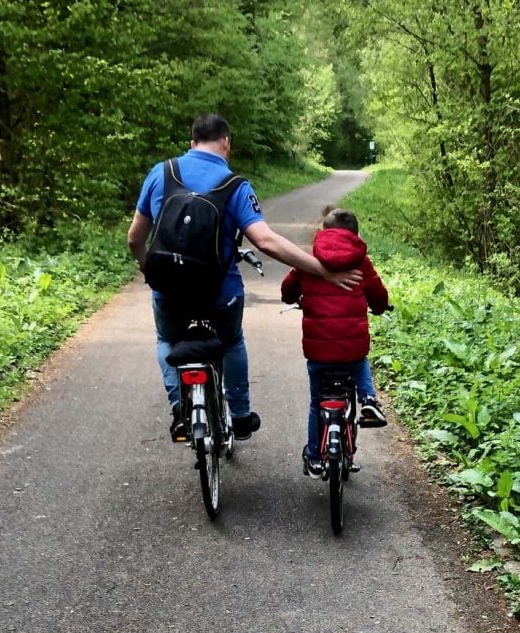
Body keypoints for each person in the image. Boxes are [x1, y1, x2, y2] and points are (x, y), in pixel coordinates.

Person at [126, 114, 361, 442]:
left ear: (192, 142)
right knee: (231, 341)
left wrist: (146, 268)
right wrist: (320, 269)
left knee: (167, 340)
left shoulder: (161, 173)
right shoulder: (235, 185)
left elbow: (135, 239)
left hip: (170, 289)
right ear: (226, 143)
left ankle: (180, 407)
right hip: (220, 293)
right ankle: (239, 415)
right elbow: (266, 241)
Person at [280, 207, 390, 479]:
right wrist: (378, 306)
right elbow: (378, 295)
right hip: (351, 352)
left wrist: (297, 298)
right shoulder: (361, 263)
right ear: (355, 235)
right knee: (359, 359)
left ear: (323, 231)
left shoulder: (309, 260)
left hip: (319, 354)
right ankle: (367, 398)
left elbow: (287, 290)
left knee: (316, 402)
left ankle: (315, 458)